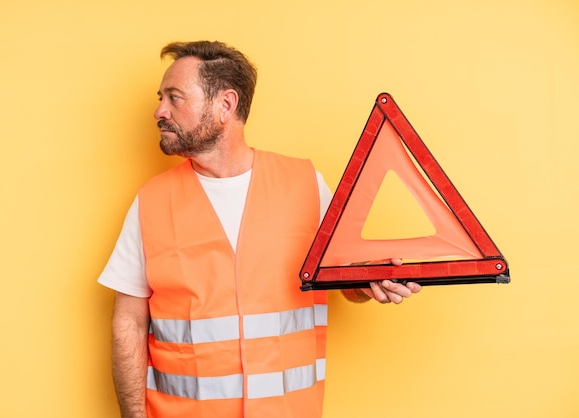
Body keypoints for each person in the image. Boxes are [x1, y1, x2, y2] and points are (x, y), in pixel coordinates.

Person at [98, 40, 421, 418]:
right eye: (161, 97)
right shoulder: (151, 202)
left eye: (175, 98)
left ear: (225, 105)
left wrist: (370, 281)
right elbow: (129, 322)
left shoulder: (304, 183)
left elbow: (346, 283)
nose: (159, 111)